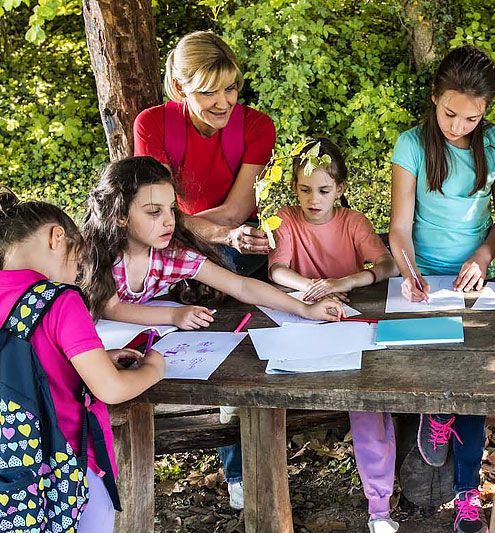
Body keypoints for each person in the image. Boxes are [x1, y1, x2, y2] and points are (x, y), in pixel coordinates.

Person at [79, 156, 344, 509]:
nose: (169, 221)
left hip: (132, 360)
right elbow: (110, 308)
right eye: (154, 212)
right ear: (120, 216)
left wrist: (304, 308)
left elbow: (241, 286)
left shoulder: (170, 253)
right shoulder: (97, 252)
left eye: (172, 209)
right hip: (84, 368)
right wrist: (174, 315)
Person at [388, 45, 495, 533]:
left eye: (472, 117)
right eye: (449, 113)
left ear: (487, 111)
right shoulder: (412, 145)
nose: (459, 125)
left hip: (477, 283)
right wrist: (407, 271)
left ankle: (467, 491)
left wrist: (483, 258)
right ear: (433, 96)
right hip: (422, 278)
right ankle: (432, 415)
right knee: (429, 370)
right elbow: (399, 227)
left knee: (476, 387)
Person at [0, 188, 165, 532]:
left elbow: (21, 359)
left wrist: (95, 358)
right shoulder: (58, 299)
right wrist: (153, 368)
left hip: (11, 475)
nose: (75, 275)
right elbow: (111, 388)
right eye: (77, 262)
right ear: (57, 236)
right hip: (68, 471)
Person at [269, 138, 399, 533]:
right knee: (263, 395)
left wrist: (342, 281)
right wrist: (312, 286)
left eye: (324, 190)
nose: (313, 199)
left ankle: (379, 507)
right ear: (294, 187)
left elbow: (387, 263)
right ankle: (264, 499)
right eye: (305, 189)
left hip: (350, 323)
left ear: (339, 190)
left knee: (368, 406)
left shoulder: (353, 222)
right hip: (299, 320)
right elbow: (276, 269)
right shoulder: (286, 219)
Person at [134, 30, 275, 276]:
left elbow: (234, 214)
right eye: (208, 92)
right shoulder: (151, 124)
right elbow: (155, 208)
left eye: (229, 89)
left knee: (216, 265)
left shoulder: (257, 127)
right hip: (174, 235)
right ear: (180, 88)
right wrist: (213, 234)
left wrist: (176, 225)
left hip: (236, 239)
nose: (223, 103)